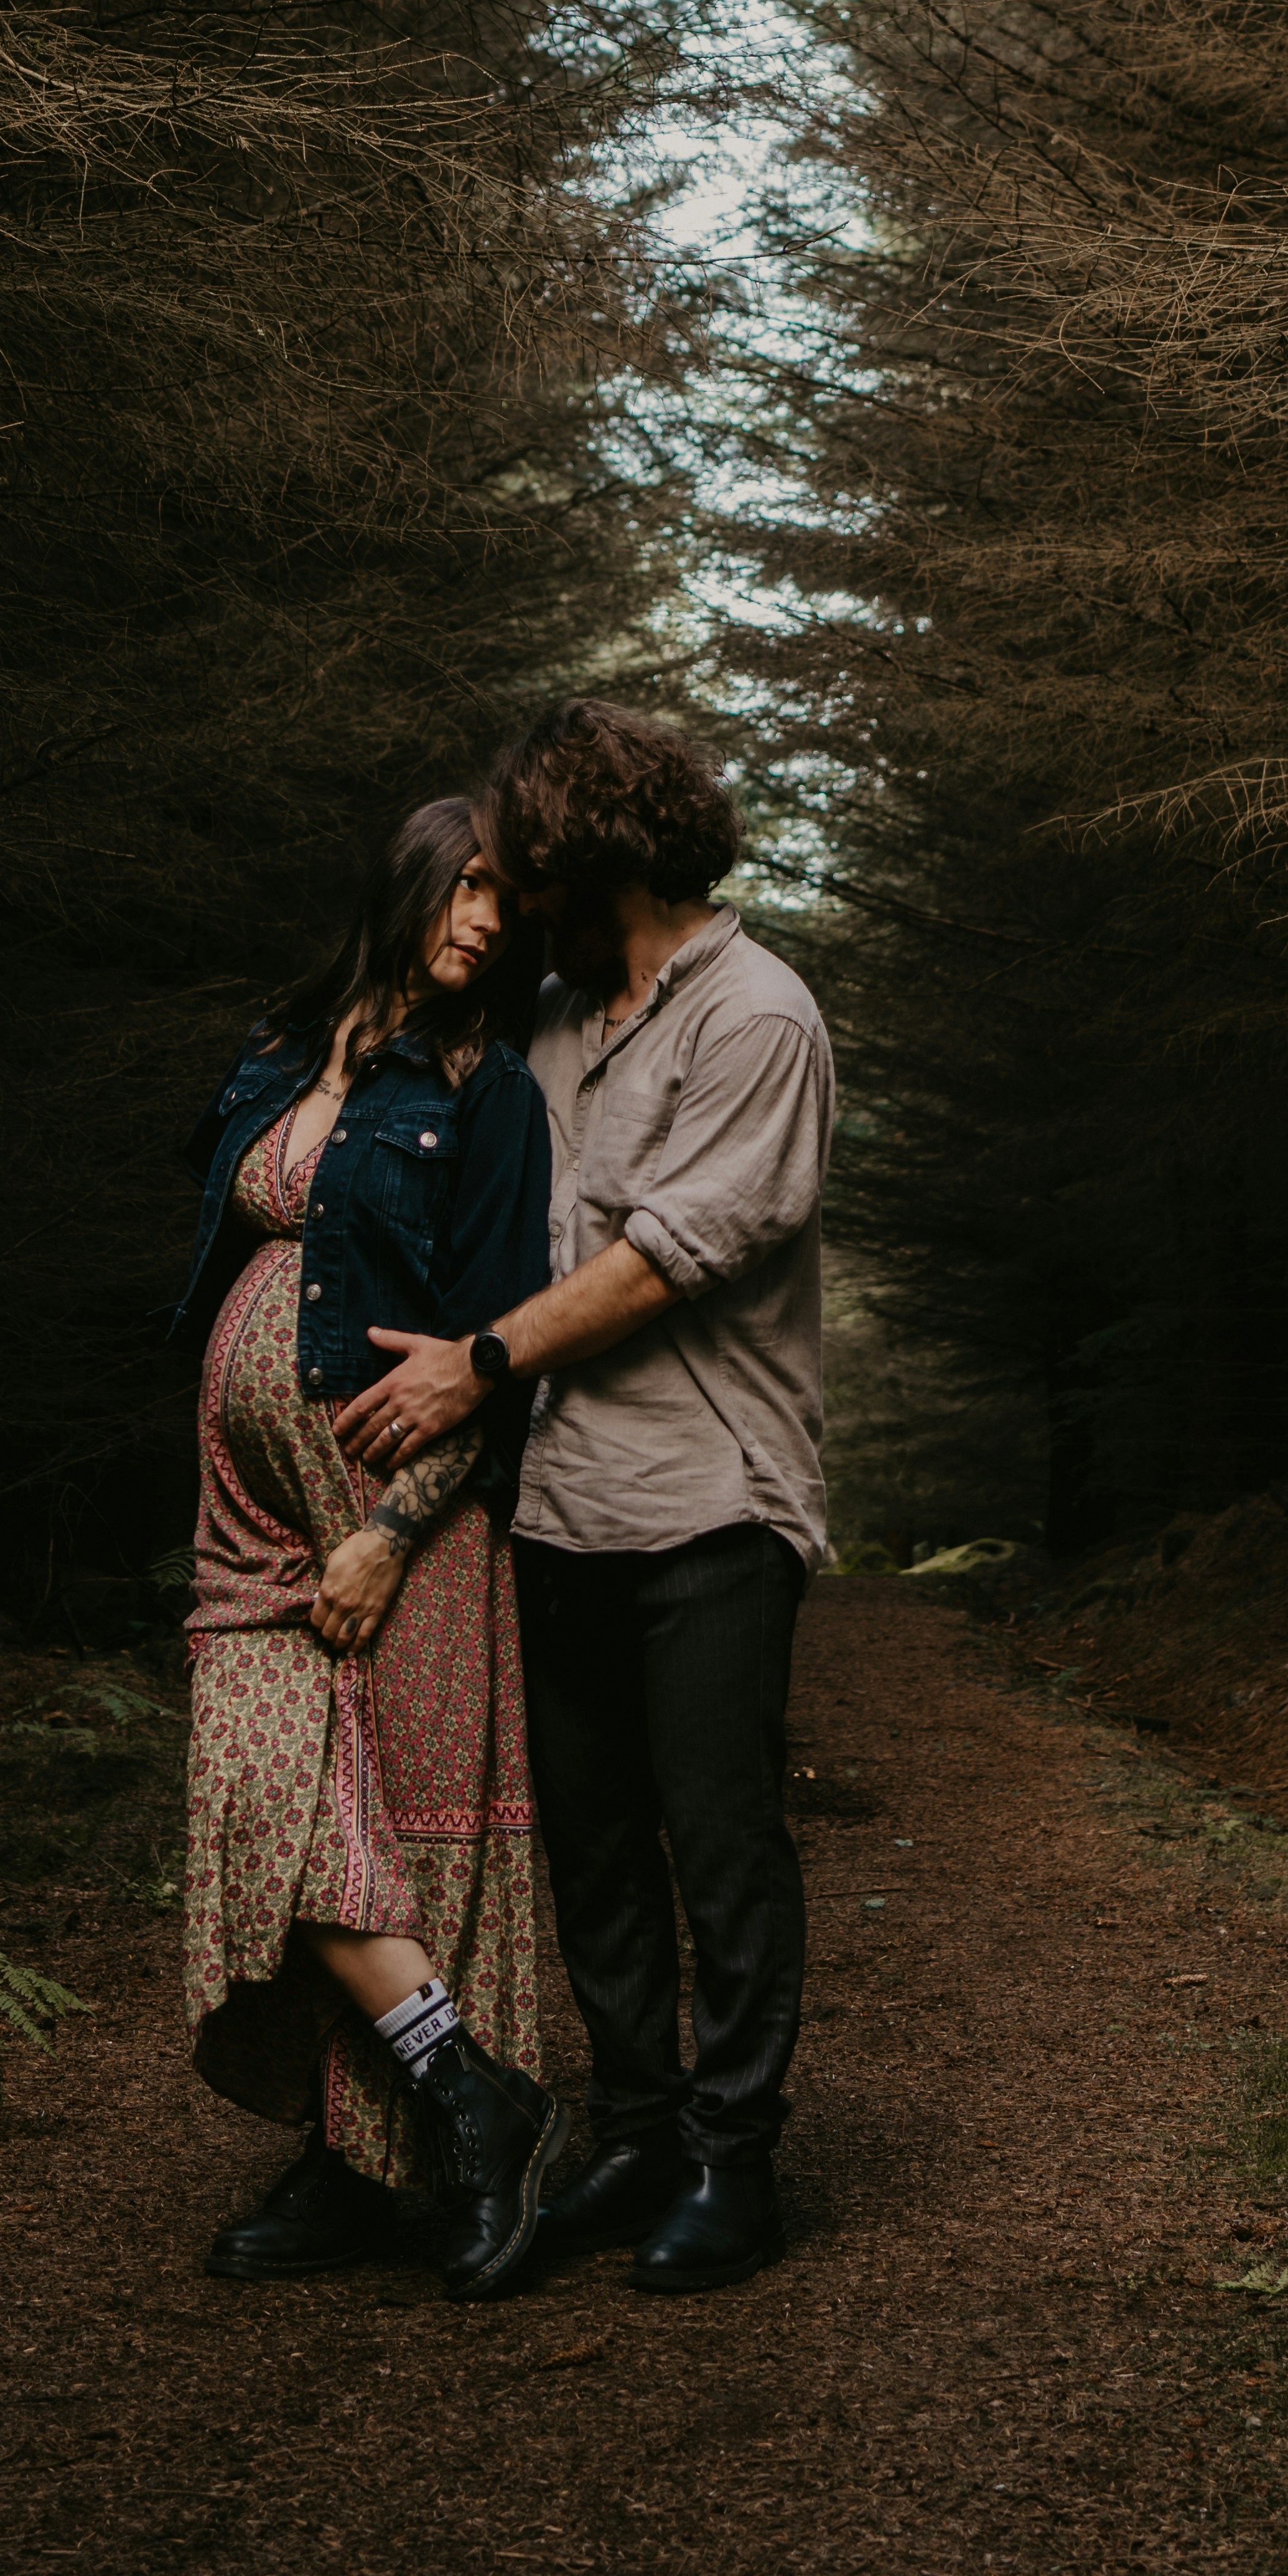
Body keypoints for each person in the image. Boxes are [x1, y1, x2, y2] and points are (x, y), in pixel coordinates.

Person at [334, 700, 834, 2297]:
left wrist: (472, 1364)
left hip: (712, 1504)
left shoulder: (757, 1015)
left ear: (587, 848)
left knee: (721, 1844)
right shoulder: (553, 1017)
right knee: (598, 1851)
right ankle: (634, 2133)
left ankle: (736, 2165)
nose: (515, 889)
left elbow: (670, 1254)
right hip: (557, 1508)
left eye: (527, 860)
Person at [171, 797, 566, 2298]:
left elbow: (491, 1345)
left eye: (504, 912)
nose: (480, 926)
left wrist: (396, 1531)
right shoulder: (281, 1051)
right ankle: (473, 2102)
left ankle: (376, 2156)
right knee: (264, 1789)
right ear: (409, 883)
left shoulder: (491, 1093)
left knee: (397, 1834)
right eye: (463, 892)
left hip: (396, 1505)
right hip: (245, 1502)